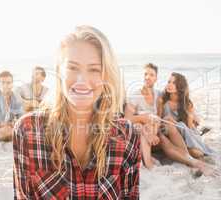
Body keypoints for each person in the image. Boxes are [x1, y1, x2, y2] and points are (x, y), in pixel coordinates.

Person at [13, 25, 141, 199]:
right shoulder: (27, 131)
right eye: (72, 68)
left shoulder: (127, 136)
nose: (82, 80)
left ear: (107, 76)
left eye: (94, 69)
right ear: (59, 71)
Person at [157, 72, 216, 176]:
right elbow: (158, 120)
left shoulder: (187, 103)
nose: (169, 85)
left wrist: (186, 119)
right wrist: (165, 119)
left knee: (196, 153)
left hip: (185, 133)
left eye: (174, 83)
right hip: (170, 133)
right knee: (195, 153)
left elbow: (188, 127)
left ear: (180, 87)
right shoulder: (162, 100)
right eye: (169, 82)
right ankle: (193, 163)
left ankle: (197, 144)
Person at [125, 63, 161, 169]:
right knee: (144, 124)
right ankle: (148, 162)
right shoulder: (135, 95)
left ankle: (146, 158)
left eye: (151, 75)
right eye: (145, 74)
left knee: (153, 120)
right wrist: (143, 118)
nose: (147, 77)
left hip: (152, 128)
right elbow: (127, 119)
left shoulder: (158, 95)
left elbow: (159, 116)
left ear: (156, 78)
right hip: (137, 128)